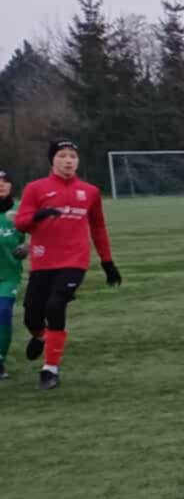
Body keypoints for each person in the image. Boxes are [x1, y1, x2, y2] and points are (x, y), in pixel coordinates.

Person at [11, 138, 121, 393]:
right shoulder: (35, 188)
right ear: (52, 160)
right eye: (62, 155)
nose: (68, 161)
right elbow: (21, 223)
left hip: (74, 261)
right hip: (42, 260)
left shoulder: (90, 192)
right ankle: (40, 336)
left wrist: (107, 262)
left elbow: (98, 227)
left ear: (77, 161)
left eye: (72, 156)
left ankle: (50, 369)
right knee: (31, 315)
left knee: (55, 305)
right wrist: (38, 216)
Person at [0, 168, 21, 382]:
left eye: (5, 181)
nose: (1, 184)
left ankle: (0, 360)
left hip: (8, 276)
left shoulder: (18, 212)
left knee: (3, 312)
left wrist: (27, 248)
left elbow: (39, 237)